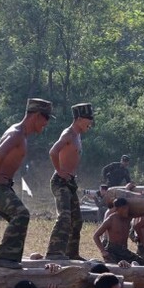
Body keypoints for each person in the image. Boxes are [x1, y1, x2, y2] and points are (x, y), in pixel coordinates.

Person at [0, 98, 53, 269]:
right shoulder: (17, 134)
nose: (46, 124)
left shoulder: (20, 133)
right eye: (46, 119)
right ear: (36, 116)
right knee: (21, 215)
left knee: (18, 218)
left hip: (1, 185)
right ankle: (5, 258)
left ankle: (7, 255)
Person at [47, 103, 94, 260]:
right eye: (88, 120)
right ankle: (54, 253)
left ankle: (72, 253)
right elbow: (53, 151)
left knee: (77, 220)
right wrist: (60, 171)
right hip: (60, 181)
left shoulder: (78, 135)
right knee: (65, 217)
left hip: (70, 182)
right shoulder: (68, 134)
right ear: (79, 119)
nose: (90, 123)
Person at [92, 197, 144, 265]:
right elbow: (95, 236)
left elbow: (143, 212)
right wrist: (103, 251)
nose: (126, 210)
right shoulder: (111, 219)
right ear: (117, 209)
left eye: (127, 208)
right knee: (116, 269)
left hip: (124, 251)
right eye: (123, 208)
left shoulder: (128, 217)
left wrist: (143, 196)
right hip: (112, 251)